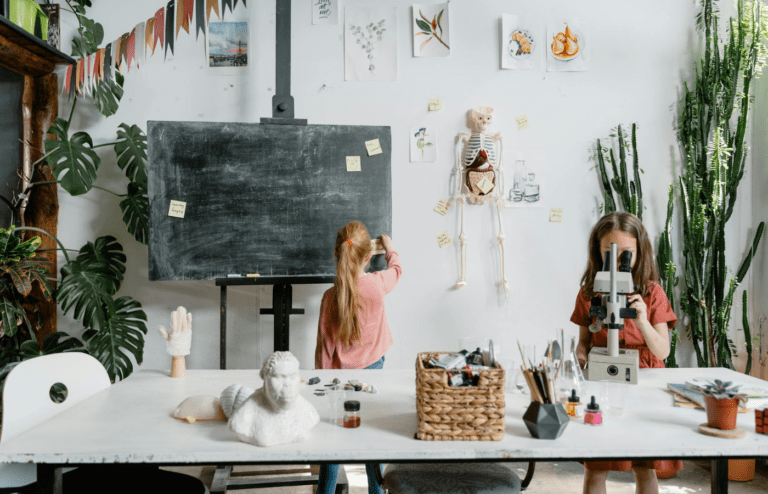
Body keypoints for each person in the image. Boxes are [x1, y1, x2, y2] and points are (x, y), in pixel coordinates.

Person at [571, 212, 679, 494]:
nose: (618, 263)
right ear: (598, 251)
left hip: (645, 382)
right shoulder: (589, 293)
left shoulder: (652, 293)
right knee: (597, 468)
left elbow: (663, 351)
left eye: (625, 255)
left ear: (639, 252)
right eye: (610, 253)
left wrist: (642, 319)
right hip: (604, 385)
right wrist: (581, 358)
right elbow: (584, 342)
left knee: (644, 469)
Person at [314, 221, 401, 494]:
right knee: (372, 435)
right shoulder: (377, 285)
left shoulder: (330, 297)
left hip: (338, 377)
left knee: (332, 440)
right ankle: (376, 491)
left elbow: (324, 347)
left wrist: (323, 384)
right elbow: (396, 271)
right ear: (368, 257)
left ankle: (326, 492)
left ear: (337, 255)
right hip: (374, 369)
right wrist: (389, 250)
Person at [228, 351, 320, 447]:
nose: (287, 385)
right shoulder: (243, 416)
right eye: (278, 377)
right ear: (265, 378)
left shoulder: (308, 411)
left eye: (293, 376)